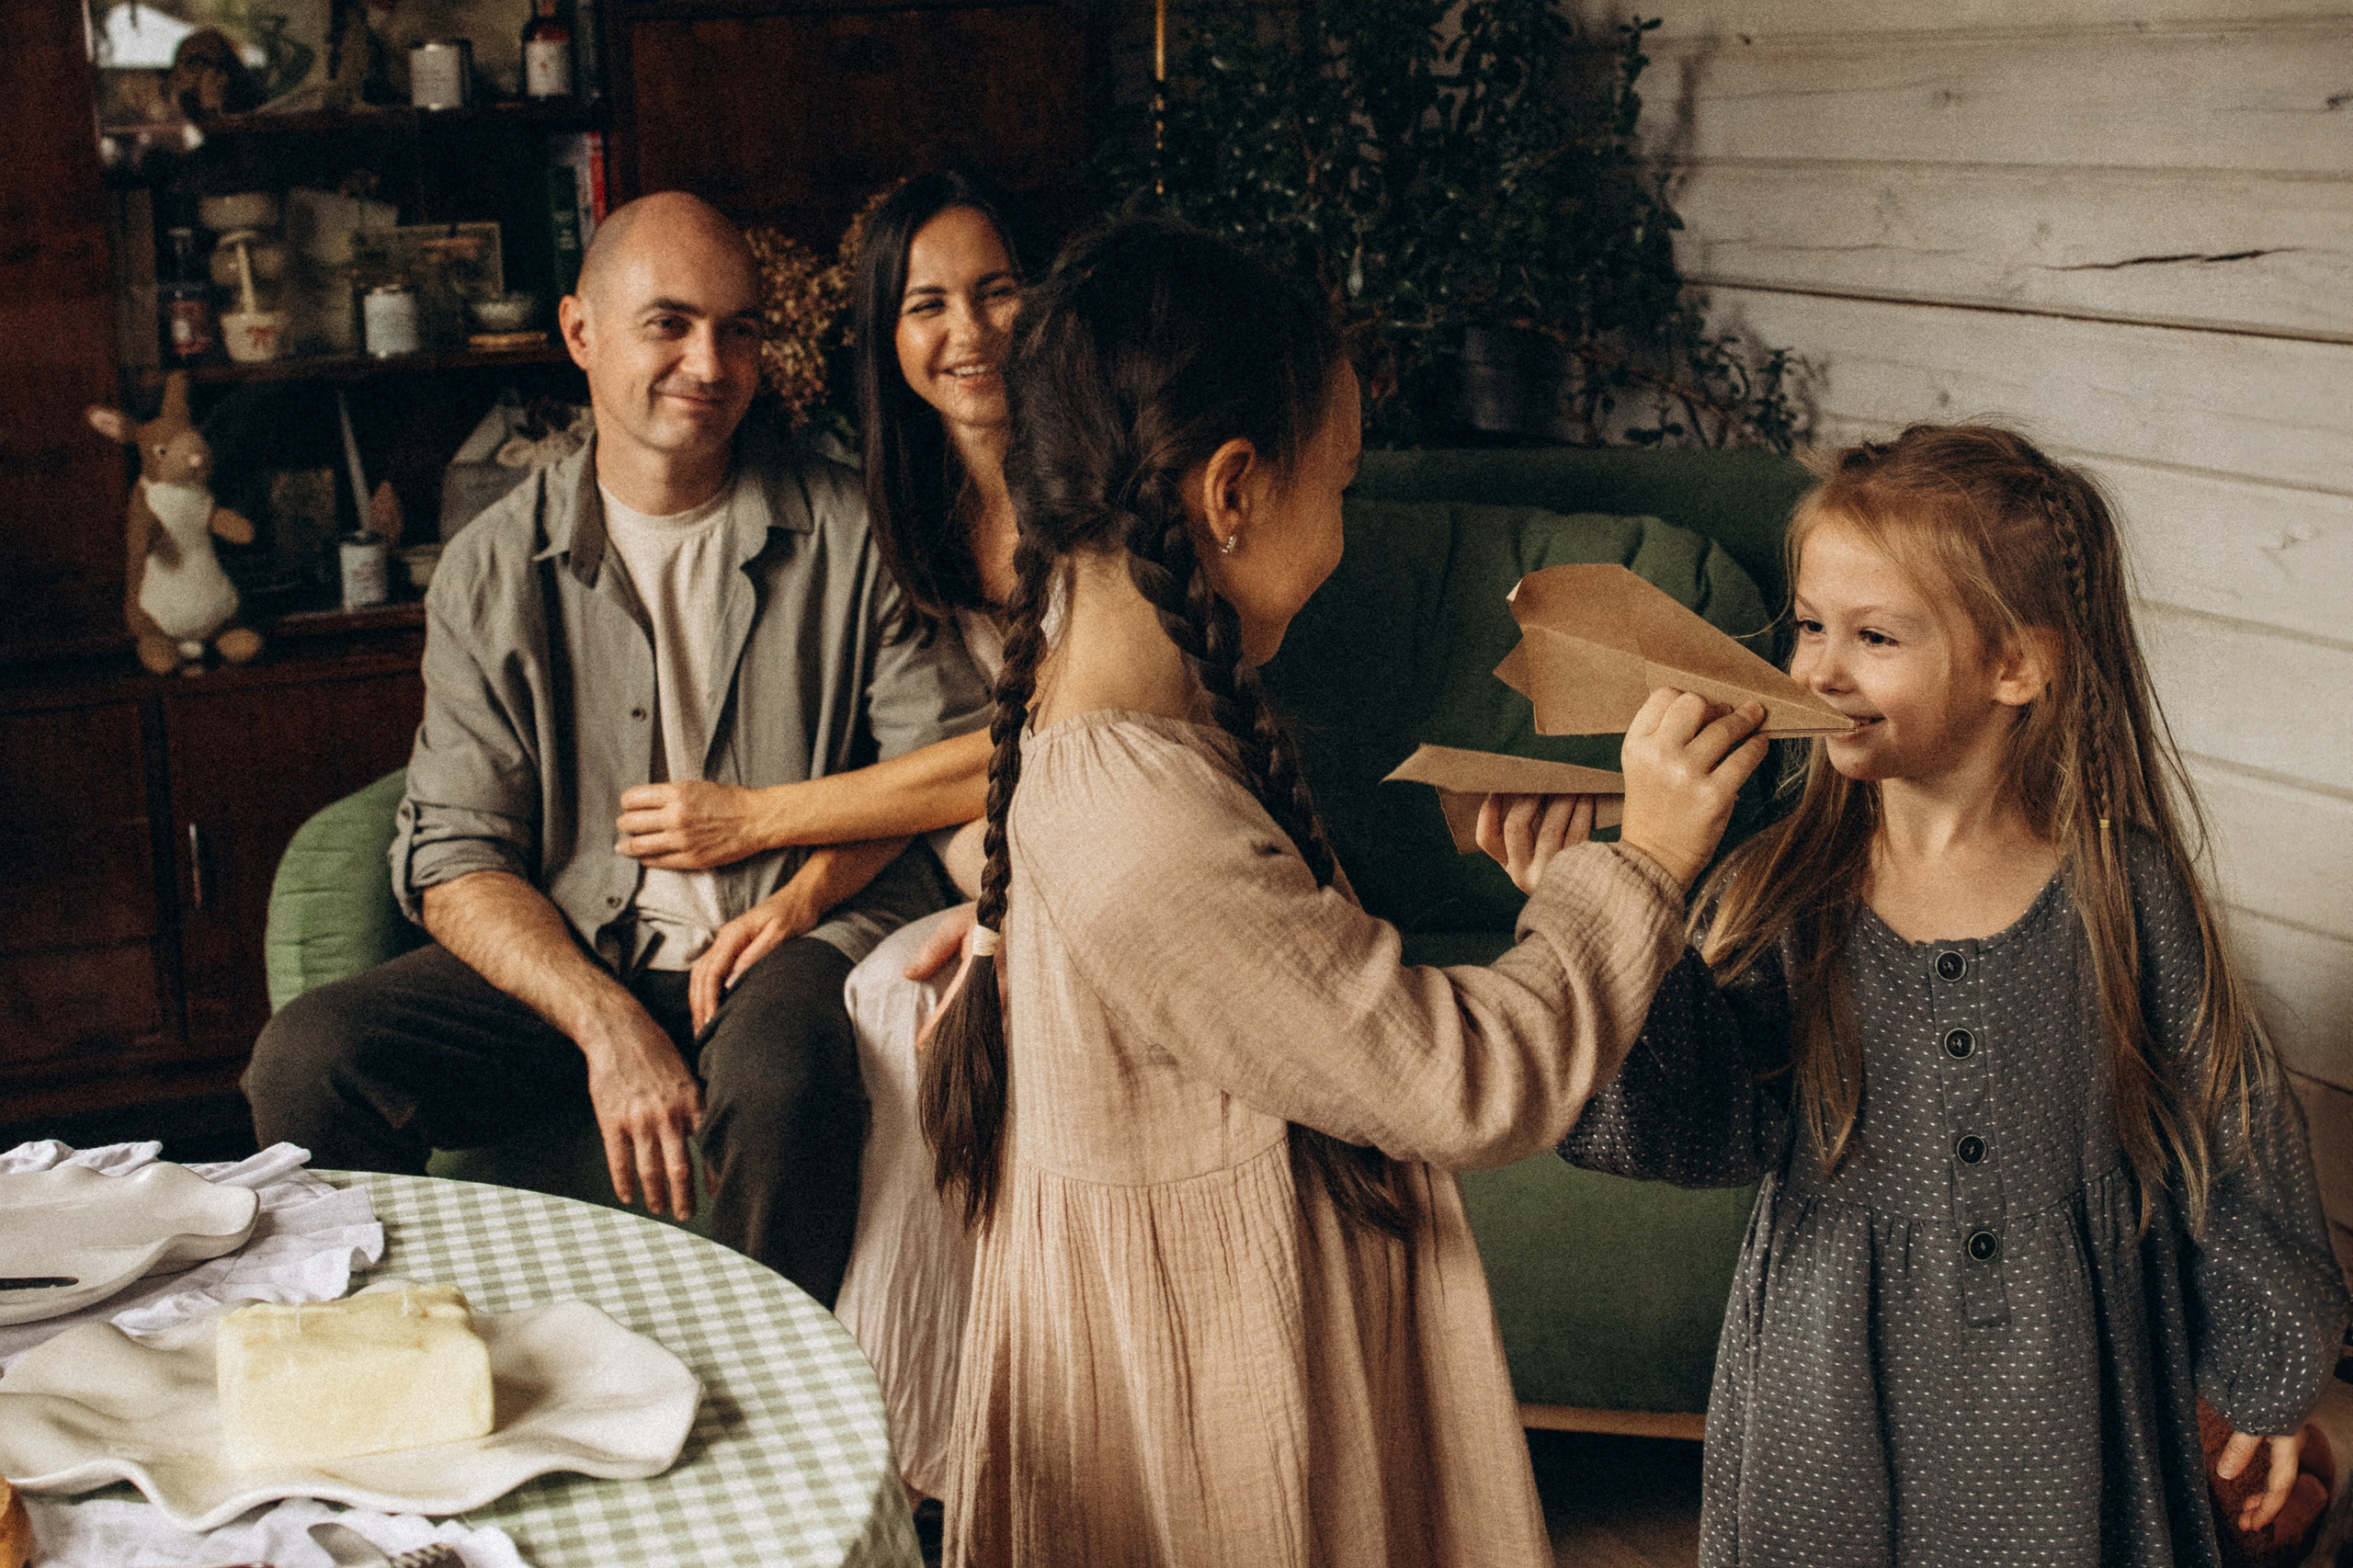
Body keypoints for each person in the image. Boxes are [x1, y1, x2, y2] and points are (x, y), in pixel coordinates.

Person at [918, 217, 1770, 1567]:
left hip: (1220, 1328)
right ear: (1233, 492)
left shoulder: (1116, 741)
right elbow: (1456, 1076)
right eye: (1343, 485)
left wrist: (1560, 891)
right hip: (1219, 1389)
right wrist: (1647, 860)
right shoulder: (1137, 814)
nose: (1343, 530)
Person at [1548, 426, 2351, 1566]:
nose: (1819, 670)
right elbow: (1700, 1121)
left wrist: (2276, 1378)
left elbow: (2227, 1132)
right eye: (1810, 626)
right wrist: (1611, 906)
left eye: (1874, 636)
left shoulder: (2125, 890)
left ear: (2017, 665)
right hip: (1828, 1393)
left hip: (2076, 1400)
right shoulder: (1783, 887)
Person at [243, 192, 991, 1309]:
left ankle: (767, 1416)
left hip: (789, 933)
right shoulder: (495, 565)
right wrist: (608, 1023)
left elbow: (933, 772)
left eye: (739, 328)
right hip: (580, 950)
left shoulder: (853, 528)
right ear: (581, 333)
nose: (711, 360)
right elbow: (455, 855)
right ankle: (390, 1365)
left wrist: (799, 891)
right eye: (670, 324)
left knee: (781, 1078)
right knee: (309, 1058)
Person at [605, 171, 1029, 1501]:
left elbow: (1026, 743)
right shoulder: (892, 513)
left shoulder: (1092, 483)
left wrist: (756, 821)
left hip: (1100, 814)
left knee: (918, 993)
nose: (968, 330)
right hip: (987, 846)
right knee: (906, 992)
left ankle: (931, 1454)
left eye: (997, 289)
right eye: (928, 304)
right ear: (882, 342)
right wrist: (799, 900)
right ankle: (893, 1459)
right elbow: (910, 773)